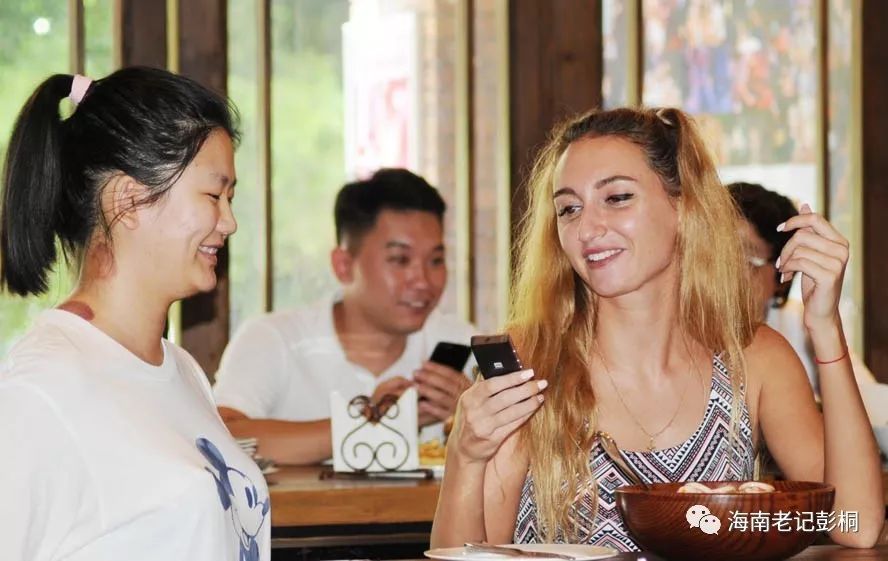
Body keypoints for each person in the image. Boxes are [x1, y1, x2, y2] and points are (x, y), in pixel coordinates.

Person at [431, 107, 883, 551]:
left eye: (617, 198)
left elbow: (857, 525)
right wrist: (465, 455)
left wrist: (825, 325)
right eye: (569, 209)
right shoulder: (531, 363)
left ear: (683, 207)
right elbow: (468, 555)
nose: (587, 228)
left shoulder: (753, 357)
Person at [0, 68, 270, 561]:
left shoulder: (182, 369)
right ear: (128, 201)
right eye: (213, 196)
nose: (229, 222)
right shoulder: (40, 390)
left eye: (230, 199)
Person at [213, 168, 475, 465]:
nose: (423, 281)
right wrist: (367, 421)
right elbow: (223, 436)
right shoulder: (275, 338)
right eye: (400, 260)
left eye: (436, 260)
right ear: (344, 266)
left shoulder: (460, 340)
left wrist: (472, 418)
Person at [730, 181, 882, 412]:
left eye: (745, 260)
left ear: (783, 276)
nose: (723, 272)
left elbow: (875, 411)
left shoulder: (803, 327)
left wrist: (826, 331)